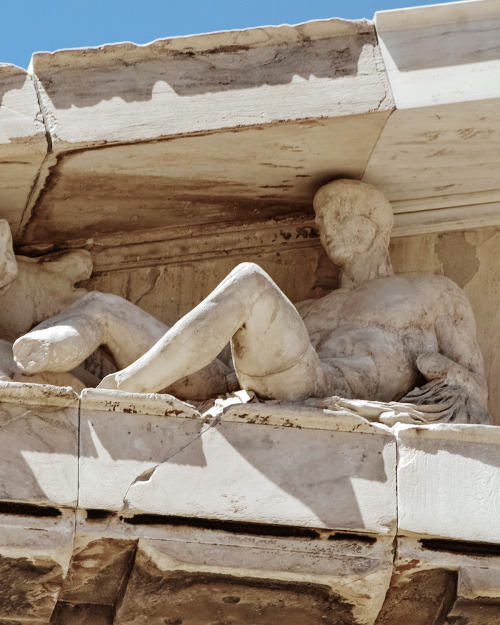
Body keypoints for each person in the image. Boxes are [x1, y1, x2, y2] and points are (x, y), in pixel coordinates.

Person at [13, 180, 489, 423]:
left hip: (320, 386)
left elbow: (477, 390)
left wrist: (439, 371)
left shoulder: (432, 291)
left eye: (344, 214)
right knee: (102, 305)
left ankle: (124, 387)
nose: (330, 226)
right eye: (324, 218)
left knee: (250, 283)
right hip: (236, 378)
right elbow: (219, 355)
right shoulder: (309, 309)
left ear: (378, 224)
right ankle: (28, 360)